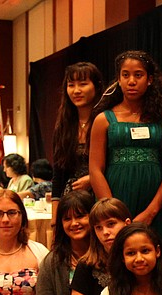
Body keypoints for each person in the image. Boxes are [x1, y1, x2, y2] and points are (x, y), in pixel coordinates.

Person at [89, 50, 162, 255]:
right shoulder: (103, 119)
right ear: (118, 80)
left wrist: (151, 211)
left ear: (150, 79)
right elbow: (95, 169)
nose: (131, 81)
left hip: (155, 201)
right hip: (115, 194)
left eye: (138, 75)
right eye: (125, 75)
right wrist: (111, 213)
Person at [51, 61, 104, 224]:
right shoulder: (63, 126)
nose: (76, 90)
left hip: (101, 196)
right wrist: (55, 220)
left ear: (96, 86)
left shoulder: (107, 120)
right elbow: (58, 174)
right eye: (71, 85)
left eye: (83, 84)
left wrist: (92, 179)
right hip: (72, 199)